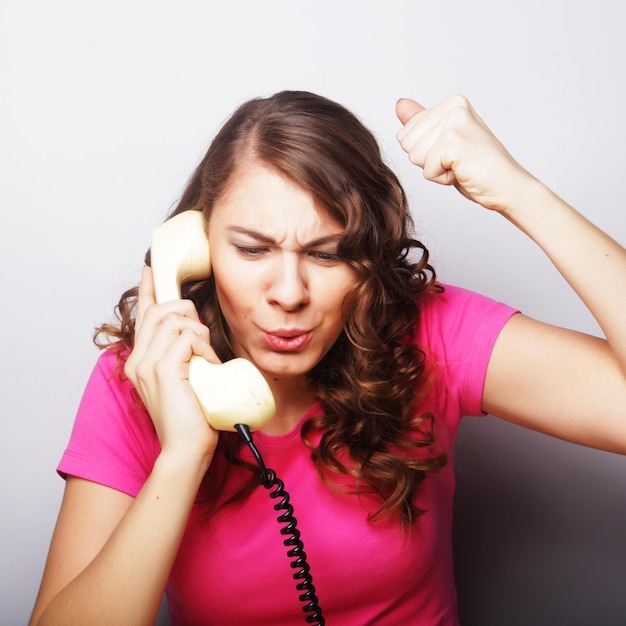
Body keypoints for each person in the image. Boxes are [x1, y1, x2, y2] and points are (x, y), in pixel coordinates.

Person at [29, 91, 626, 626]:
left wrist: (521, 193)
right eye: (252, 249)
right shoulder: (138, 380)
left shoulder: (426, 336)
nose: (289, 293)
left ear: (369, 258)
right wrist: (183, 454)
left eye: (328, 253)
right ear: (195, 251)